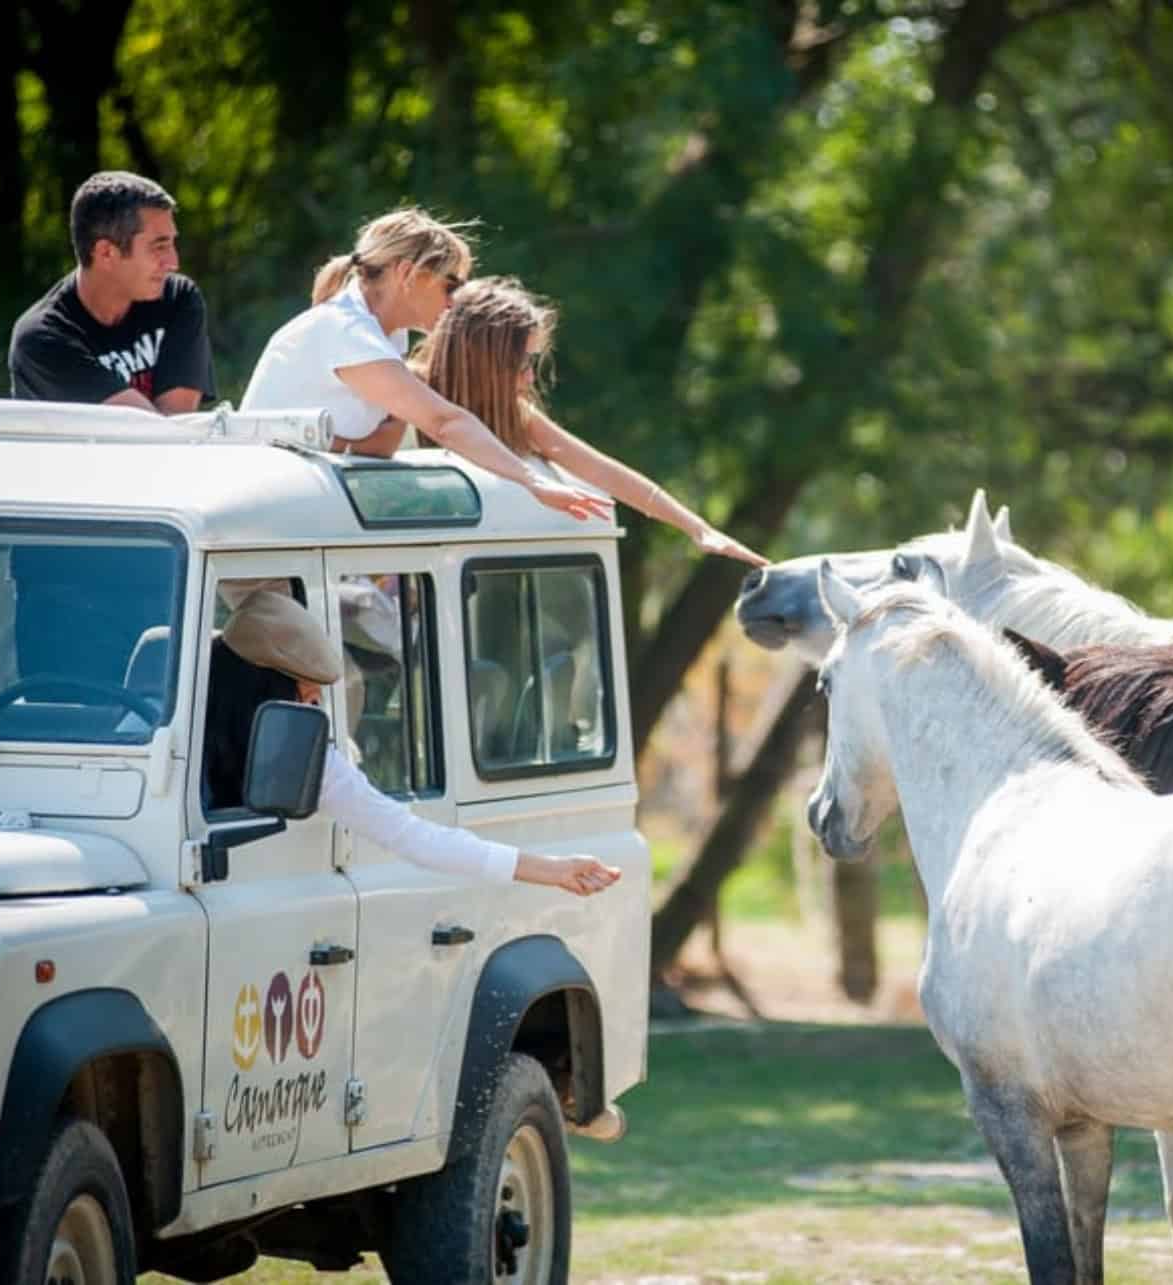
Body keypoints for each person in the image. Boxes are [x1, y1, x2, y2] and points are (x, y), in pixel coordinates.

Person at [205, 588, 620, 895]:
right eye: (307, 695)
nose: (315, 709)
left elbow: (413, 835)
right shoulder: (162, 729)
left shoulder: (312, 761)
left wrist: (553, 870)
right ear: (264, 691)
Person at [241, 209, 604, 522]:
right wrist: (532, 481)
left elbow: (381, 446)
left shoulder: (382, 337)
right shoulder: (347, 333)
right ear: (407, 273)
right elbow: (445, 422)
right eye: (450, 285)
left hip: (285, 522)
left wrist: (330, 441)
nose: (455, 301)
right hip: (258, 530)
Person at [411, 276, 767, 567]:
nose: (530, 379)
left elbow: (601, 470)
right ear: (482, 359)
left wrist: (698, 529)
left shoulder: (516, 414)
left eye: (533, 364)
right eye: (521, 364)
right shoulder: (402, 391)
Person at [9, 170, 215, 413]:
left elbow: (176, 424)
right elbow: (146, 434)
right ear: (106, 252)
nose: (173, 262)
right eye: (159, 246)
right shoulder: (42, 340)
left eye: (172, 244)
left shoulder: (177, 299)